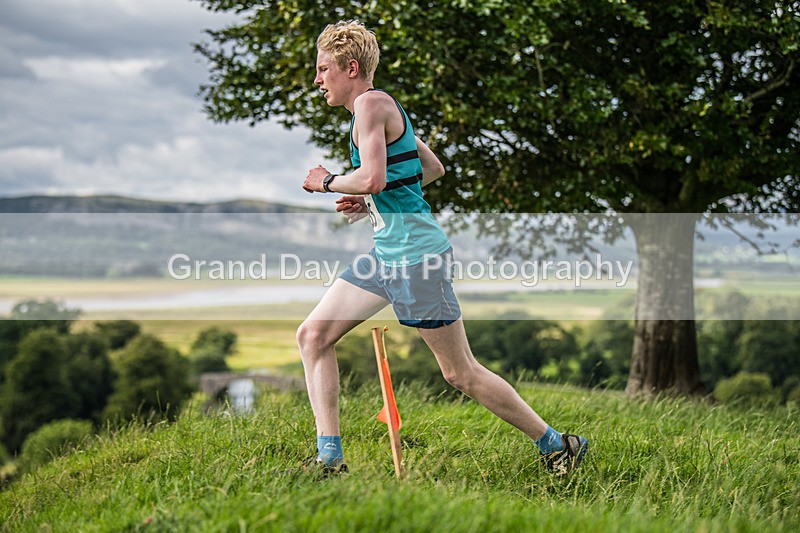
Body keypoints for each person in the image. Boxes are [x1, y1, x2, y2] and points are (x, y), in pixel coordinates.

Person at [297, 20, 588, 476]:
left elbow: (374, 175)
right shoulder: (379, 109)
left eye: (323, 69)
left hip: (416, 258)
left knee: (460, 373)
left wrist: (328, 182)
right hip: (385, 256)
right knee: (312, 336)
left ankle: (558, 444)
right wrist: (372, 199)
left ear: (351, 67)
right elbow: (431, 167)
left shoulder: (370, 103)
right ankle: (329, 460)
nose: (317, 80)